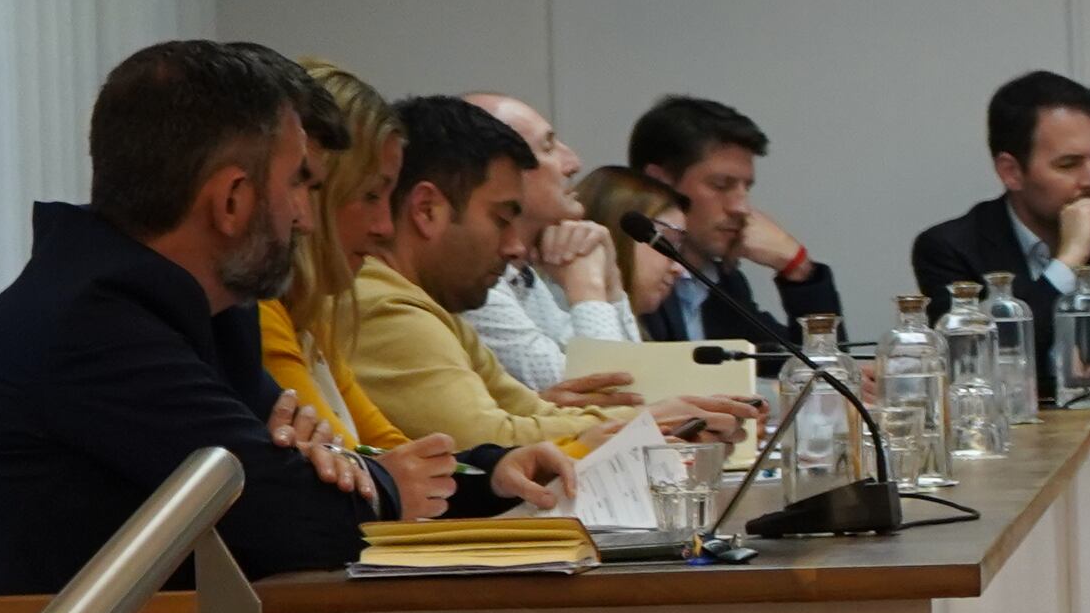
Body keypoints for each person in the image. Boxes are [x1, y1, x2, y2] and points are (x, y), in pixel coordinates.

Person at [0, 41, 388, 596]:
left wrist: (327, 469)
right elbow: (293, 520)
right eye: (298, 183)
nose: (306, 220)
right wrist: (381, 486)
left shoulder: (210, 315)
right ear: (233, 200)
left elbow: (287, 482)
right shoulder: (92, 325)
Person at [351, 96, 705, 463]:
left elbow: (535, 411)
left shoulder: (434, 307)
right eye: (501, 220)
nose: (515, 247)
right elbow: (490, 438)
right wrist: (651, 420)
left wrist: (663, 417)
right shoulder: (385, 306)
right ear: (427, 210)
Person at [257, 63, 460, 528]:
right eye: (370, 195)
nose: (386, 226)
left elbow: (396, 454)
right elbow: (356, 475)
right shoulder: (260, 313)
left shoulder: (312, 317)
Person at [913, 70, 1090, 390]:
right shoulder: (949, 247)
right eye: (1068, 164)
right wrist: (1068, 261)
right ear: (1011, 172)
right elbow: (974, 361)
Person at [625, 95, 855, 349]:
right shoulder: (626, 278)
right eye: (721, 185)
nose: (741, 208)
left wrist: (798, 269)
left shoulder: (724, 282)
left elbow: (818, 369)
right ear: (659, 184)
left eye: (746, 188)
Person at [459, 94, 647, 398]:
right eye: (548, 147)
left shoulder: (524, 276)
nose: (573, 163)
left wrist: (610, 284)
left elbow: (635, 382)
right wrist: (588, 288)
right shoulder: (476, 287)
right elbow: (609, 397)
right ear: (500, 171)